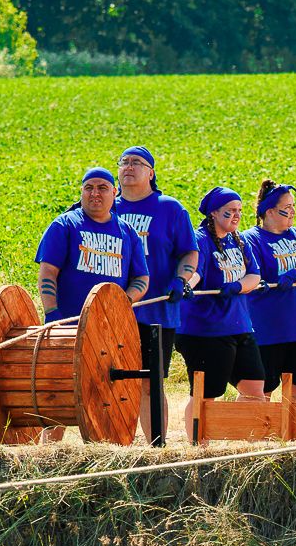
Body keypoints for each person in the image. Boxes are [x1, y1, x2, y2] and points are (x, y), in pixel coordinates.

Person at [112, 146, 200, 432]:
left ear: (151, 173)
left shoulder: (169, 208)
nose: (128, 167)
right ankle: (114, 443)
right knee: (111, 381)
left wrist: (181, 279)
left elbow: (190, 252)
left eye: (136, 162)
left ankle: (155, 445)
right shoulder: (105, 207)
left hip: (156, 310)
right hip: (113, 310)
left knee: (150, 382)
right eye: (124, 162)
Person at [174, 186, 266, 435]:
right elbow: (195, 271)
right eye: (230, 211)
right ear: (213, 212)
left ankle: (241, 440)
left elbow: (254, 275)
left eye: (239, 211)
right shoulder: (200, 240)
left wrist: (237, 286)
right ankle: (198, 444)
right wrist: (187, 285)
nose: (236, 216)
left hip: (239, 325)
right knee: (206, 394)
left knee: (255, 389)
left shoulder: (240, 241)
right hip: (206, 330)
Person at [244, 180, 296, 400]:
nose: (293, 212)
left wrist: (294, 274)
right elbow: (253, 272)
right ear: (269, 211)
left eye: (293, 206)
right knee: (262, 390)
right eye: (287, 207)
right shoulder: (250, 239)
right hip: (267, 329)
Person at [35, 166, 147, 323]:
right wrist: (51, 311)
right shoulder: (64, 225)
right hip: (68, 325)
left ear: (114, 192)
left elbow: (141, 278)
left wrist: (124, 301)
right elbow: (48, 272)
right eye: (89, 188)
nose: (95, 193)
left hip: (111, 326)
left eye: (102, 188)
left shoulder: (128, 233)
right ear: (82, 192)